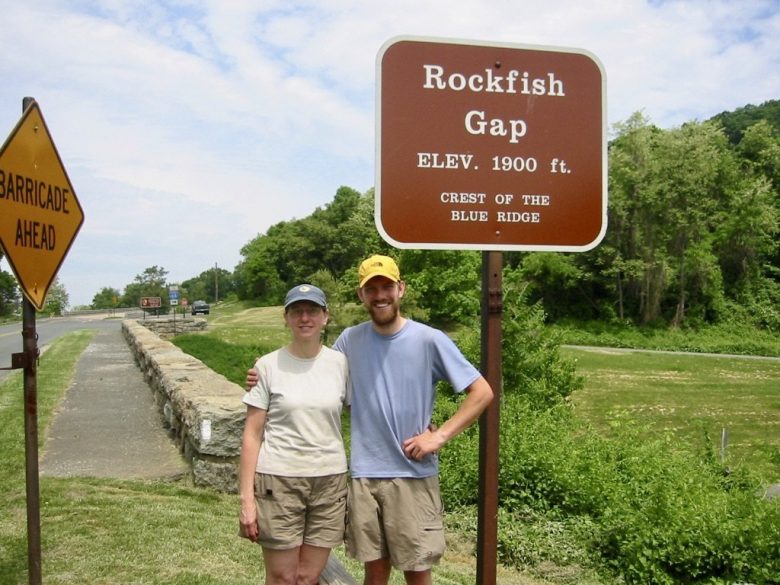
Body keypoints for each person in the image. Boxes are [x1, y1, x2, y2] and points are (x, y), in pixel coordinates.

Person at [247, 256, 493, 585]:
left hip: (411, 473)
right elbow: (317, 374)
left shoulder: (429, 339)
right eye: (371, 289)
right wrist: (262, 372)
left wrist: (438, 436)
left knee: (417, 571)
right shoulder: (350, 340)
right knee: (374, 573)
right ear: (361, 295)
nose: (380, 295)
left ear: (400, 289)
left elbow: (482, 392)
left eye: (387, 287)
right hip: (364, 477)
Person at [239, 284, 350, 585]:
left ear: (325, 317)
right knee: (283, 577)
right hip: (278, 480)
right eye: (297, 311)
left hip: (329, 481)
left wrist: (423, 424)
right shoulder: (267, 366)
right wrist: (247, 499)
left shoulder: (340, 364)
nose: (305, 317)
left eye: (312, 310)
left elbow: (367, 411)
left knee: (308, 576)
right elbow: (252, 434)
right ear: (285, 318)